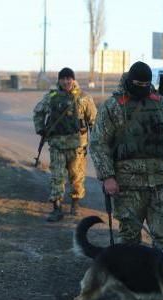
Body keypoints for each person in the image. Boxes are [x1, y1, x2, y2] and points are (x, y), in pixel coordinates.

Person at [90, 61, 163, 250]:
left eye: (146, 85)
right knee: (129, 239)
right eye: (139, 85)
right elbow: (99, 143)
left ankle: (160, 279)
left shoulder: (160, 104)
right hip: (127, 185)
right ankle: (132, 278)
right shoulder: (113, 106)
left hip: (159, 182)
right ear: (129, 81)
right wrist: (107, 177)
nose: (142, 89)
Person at [33, 67, 97, 222]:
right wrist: (40, 128)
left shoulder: (83, 98)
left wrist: (96, 138)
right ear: (59, 80)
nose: (66, 81)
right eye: (63, 79)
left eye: (69, 78)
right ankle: (57, 208)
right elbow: (38, 112)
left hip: (77, 146)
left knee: (77, 177)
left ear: (73, 80)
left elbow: (93, 120)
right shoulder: (51, 97)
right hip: (57, 145)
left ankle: (75, 204)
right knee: (57, 177)